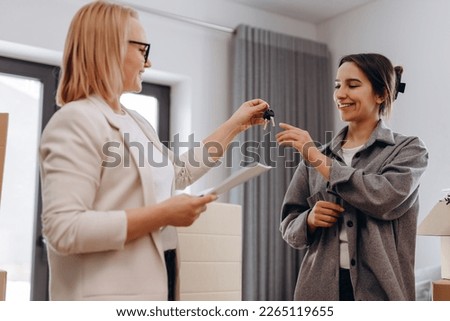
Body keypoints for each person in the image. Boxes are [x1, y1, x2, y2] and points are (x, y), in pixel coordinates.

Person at [39, 0, 268, 301]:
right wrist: (162, 213)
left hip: (161, 280)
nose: (148, 63)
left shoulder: (135, 121)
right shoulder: (75, 120)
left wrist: (235, 126)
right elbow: (63, 229)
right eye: (142, 50)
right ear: (110, 48)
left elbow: (180, 173)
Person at [276, 53, 428, 300]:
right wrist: (309, 220)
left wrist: (316, 158)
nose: (340, 94)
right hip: (317, 293)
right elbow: (288, 226)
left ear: (381, 95)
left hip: (382, 294)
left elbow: (383, 197)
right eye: (337, 85)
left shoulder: (409, 150)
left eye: (353, 85)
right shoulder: (315, 157)